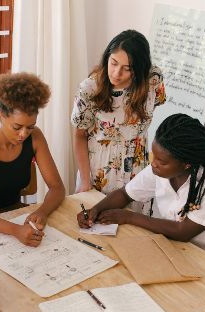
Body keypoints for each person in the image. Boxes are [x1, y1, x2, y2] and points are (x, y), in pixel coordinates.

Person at [78, 113, 205, 273]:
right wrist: (95, 210)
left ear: (187, 164)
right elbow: (125, 194)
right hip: (180, 253)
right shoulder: (161, 169)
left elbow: (184, 231)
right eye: (155, 157)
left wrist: (128, 217)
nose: (153, 164)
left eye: (161, 161)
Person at [0, 72, 65, 247]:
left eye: (30, 127)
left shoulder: (35, 138)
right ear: (0, 115)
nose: (23, 134)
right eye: (17, 127)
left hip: (15, 216)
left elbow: (57, 188)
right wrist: (16, 230)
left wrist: (42, 212)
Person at [72, 29, 166, 213]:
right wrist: (85, 181)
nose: (116, 73)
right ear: (107, 57)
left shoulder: (153, 80)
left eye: (127, 68)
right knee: (95, 225)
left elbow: (151, 108)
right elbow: (79, 136)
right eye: (113, 63)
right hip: (100, 171)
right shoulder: (89, 89)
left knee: (134, 232)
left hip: (138, 170)